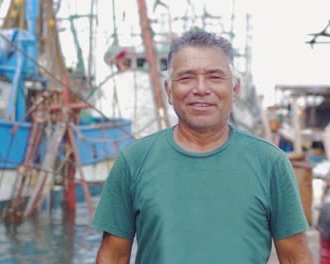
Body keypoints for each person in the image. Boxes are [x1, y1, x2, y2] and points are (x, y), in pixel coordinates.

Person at [92, 30, 313, 263]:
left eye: (215, 77)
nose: (200, 89)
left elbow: (294, 258)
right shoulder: (134, 161)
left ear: (235, 90)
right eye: (186, 78)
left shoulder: (270, 162)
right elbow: (113, 256)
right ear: (168, 91)